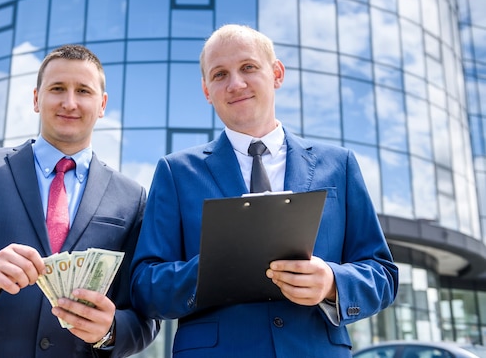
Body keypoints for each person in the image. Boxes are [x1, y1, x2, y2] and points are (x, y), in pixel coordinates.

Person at [130, 24, 398, 357]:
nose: (235, 84)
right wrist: (215, 269)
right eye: (219, 74)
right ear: (206, 90)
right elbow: (144, 285)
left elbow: (382, 273)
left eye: (248, 68)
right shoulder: (176, 172)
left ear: (277, 73)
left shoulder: (339, 165)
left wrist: (331, 282)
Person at [0, 44, 159, 357]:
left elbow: (145, 314)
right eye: (57, 88)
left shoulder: (132, 197)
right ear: (36, 98)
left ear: (102, 104)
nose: (70, 102)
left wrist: (110, 330)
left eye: (83, 91)